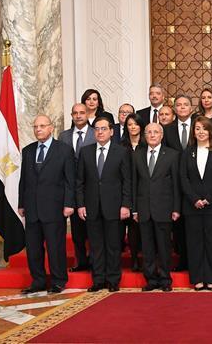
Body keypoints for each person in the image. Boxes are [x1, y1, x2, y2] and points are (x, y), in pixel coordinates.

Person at [18, 115, 75, 294]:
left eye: (42, 126)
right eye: (35, 126)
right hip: (32, 208)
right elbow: (23, 180)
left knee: (55, 247)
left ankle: (58, 281)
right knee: (34, 249)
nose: (38, 129)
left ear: (51, 128)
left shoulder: (64, 150)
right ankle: (38, 281)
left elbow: (70, 181)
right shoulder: (28, 151)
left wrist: (69, 204)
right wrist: (21, 203)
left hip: (54, 207)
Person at [76, 116, 132, 292]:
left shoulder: (121, 152)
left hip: (114, 207)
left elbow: (127, 181)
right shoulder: (85, 152)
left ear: (111, 131)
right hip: (91, 207)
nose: (100, 132)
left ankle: (113, 280)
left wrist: (126, 205)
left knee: (113, 245)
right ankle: (98, 279)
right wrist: (81, 204)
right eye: (97, 129)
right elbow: (80, 182)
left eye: (103, 129)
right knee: (96, 246)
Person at [180, 117, 212, 291]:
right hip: (192, 206)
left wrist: (209, 198)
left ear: (210, 132)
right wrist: (194, 199)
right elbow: (183, 178)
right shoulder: (187, 152)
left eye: (204, 129)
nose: (200, 132)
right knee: (195, 243)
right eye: (197, 128)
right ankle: (198, 278)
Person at [133, 123, 181, 292]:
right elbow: (134, 184)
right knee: (147, 247)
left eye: (156, 132)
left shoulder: (172, 155)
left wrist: (176, 208)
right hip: (144, 209)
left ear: (162, 135)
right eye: (149, 132)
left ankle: (165, 279)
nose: (152, 135)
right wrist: (134, 209)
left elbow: (176, 184)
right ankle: (151, 280)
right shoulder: (137, 155)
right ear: (145, 136)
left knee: (164, 247)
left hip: (164, 208)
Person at [59, 103, 94, 273]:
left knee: (93, 229)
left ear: (88, 114)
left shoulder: (97, 133)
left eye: (82, 112)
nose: (78, 115)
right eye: (75, 113)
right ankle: (81, 261)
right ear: (72, 115)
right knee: (77, 231)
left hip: (92, 188)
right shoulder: (64, 136)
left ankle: (95, 261)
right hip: (71, 188)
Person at [163, 94, 194, 272]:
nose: (182, 107)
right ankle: (183, 259)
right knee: (179, 226)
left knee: (193, 224)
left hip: (195, 181)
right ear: (175, 109)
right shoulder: (167, 130)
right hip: (174, 181)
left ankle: (194, 259)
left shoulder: (199, 126)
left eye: (185, 105)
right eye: (179, 105)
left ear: (191, 108)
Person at [120, 113, 144, 272]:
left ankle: (148, 260)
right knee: (131, 229)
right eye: (129, 124)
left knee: (143, 227)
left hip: (143, 190)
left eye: (135, 124)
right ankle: (134, 258)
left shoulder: (148, 144)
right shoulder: (121, 146)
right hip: (126, 190)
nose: (133, 127)